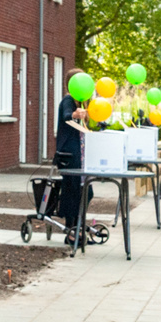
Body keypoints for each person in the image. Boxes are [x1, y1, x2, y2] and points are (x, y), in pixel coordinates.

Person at [54, 68, 92, 238]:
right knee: (73, 190)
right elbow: (66, 115)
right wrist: (76, 114)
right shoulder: (68, 100)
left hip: (79, 155)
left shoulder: (80, 102)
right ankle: (72, 230)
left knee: (84, 191)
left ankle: (77, 226)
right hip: (70, 155)